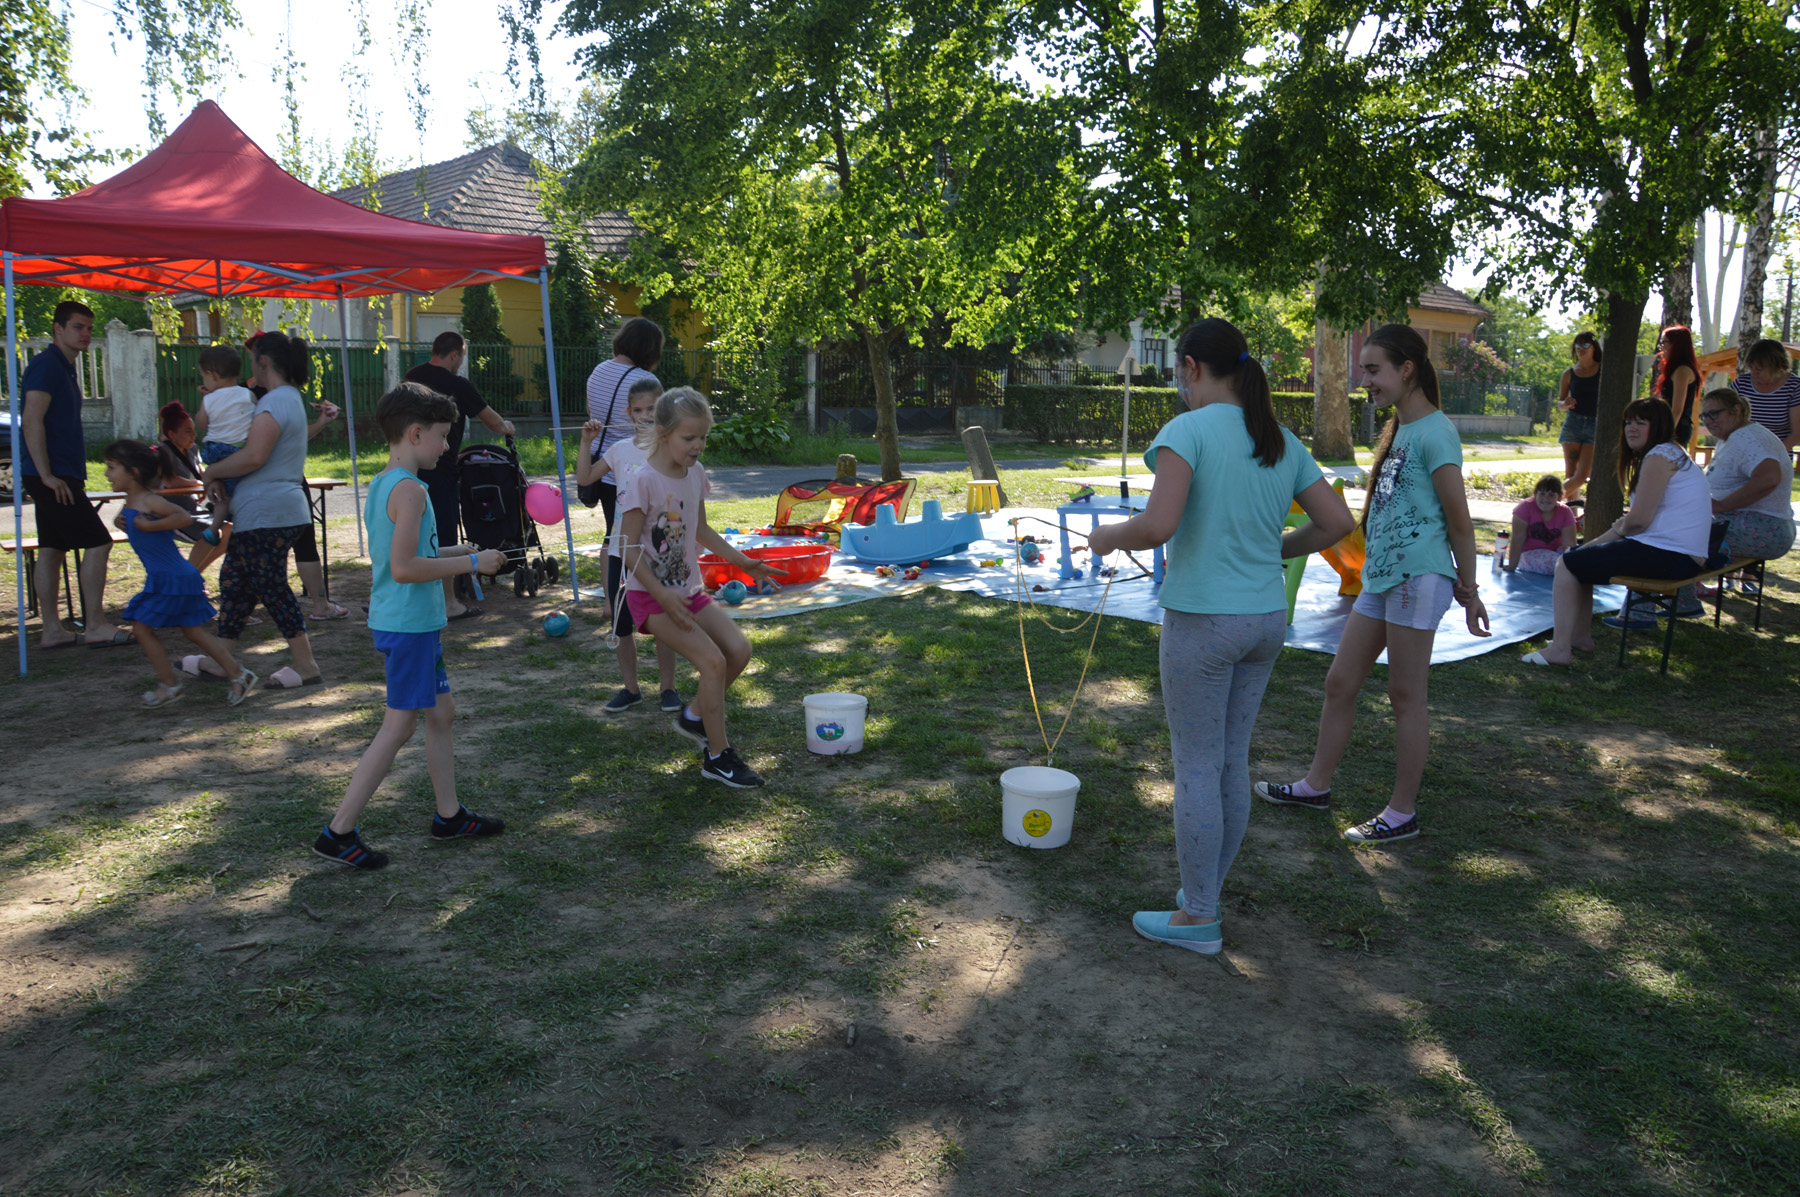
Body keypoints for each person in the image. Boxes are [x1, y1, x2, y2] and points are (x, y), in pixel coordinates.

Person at [1084, 319, 1354, 955]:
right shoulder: (1279, 439)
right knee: (1229, 760)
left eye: (1179, 372)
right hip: (1264, 622)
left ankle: (1199, 916)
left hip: (1204, 623)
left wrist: (1106, 536)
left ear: (1190, 368)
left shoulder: (1187, 431)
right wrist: (1273, 549)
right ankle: (1202, 896)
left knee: (1198, 767)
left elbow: (1157, 525)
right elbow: (1337, 521)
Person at [1257, 324, 1489, 846]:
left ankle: (1402, 812)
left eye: (1373, 370)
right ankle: (1316, 787)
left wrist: (1470, 591)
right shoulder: (1402, 428)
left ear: (1407, 369)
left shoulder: (1436, 433)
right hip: (1382, 578)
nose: (1364, 381)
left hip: (1418, 577)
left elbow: (1460, 522)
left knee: (1406, 695)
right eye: (1363, 370)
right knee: (1339, 682)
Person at [313, 383, 508, 871]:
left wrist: (461, 551)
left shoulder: (386, 483)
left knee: (441, 713)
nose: (446, 447)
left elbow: (409, 555)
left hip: (407, 623)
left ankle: (449, 816)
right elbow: (403, 568)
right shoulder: (413, 491)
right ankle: (338, 832)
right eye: (442, 436)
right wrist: (472, 564)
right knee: (399, 726)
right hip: (409, 626)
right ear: (416, 433)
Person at [618, 386, 779, 788]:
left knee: (738, 650)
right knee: (713, 662)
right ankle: (718, 757)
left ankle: (693, 716)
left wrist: (743, 562)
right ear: (663, 433)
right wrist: (661, 594)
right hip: (649, 597)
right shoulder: (643, 481)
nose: (698, 445)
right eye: (689, 437)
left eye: (703, 437)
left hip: (688, 591)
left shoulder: (695, 474)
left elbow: (701, 529)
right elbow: (627, 548)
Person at [1523, 398, 1713, 661]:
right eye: (1628, 422)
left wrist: (1593, 544)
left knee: (1567, 563)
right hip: (1679, 555)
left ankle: (1560, 649)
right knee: (1579, 561)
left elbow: (1637, 522)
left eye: (1641, 423)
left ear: (1658, 426)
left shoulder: (1659, 456)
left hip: (1673, 556)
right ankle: (1578, 637)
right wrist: (1590, 548)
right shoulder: (1671, 453)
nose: (1631, 429)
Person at [192, 331, 326, 689]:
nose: (249, 366)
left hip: (268, 513)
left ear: (263, 361)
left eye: (253, 359)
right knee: (235, 583)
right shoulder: (286, 398)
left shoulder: (274, 403)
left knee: (271, 586)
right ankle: (220, 659)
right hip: (266, 512)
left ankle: (306, 664)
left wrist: (211, 472)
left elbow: (253, 456)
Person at [101, 439, 256, 708]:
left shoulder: (150, 500)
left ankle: (170, 685)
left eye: (112, 467)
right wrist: (120, 521)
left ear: (133, 472)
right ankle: (239, 675)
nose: (106, 473)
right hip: (170, 577)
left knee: (142, 629)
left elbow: (183, 517)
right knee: (193, 632)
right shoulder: (133, 501)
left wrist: (150, 527)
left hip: (172, 577)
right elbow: (137, 523)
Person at [20, 300, 128, 650]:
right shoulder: (46, 365)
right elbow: (31, 419)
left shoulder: (63, 368)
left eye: (89, 328)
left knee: (52, 548)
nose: (85, 334)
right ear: (58, 328)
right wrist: (47, 475)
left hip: (58, 473)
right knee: (98, 541)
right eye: (78, 327)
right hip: (53, 475)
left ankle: (52, 631)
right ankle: (95, 624)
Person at [575, 381, 683, 715]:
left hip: (660, 550)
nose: (645, 415)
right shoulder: (619, 450)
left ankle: (668, 688)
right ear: (629, 413)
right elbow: (584, 478)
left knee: (664, 622)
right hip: (622, 550)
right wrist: (586, 442)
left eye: (652, 409)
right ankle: (631, 689)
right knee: (621, 625)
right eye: (638, 410)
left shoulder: (671, 449)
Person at [403, 331, 516, 619]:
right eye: (461, 357)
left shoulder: (412, 376)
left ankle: (412, 596)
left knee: (410, 530)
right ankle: (449, 602)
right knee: (443, 534)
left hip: (409, 465)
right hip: (440, 469)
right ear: (455, 355)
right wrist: (506, 427)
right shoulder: (458, 385)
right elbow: (491, 420)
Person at [1669, 388, 1795, 611]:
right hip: (1756, 525)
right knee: (1673, 526)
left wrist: (1722, 505)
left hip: (1765, 528)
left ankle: (1680, 602)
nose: (1709, 420)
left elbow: (1769, 477)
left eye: (1714, 414)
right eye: (1704, 416)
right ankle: (1682, 598)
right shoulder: (1734, 437)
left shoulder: (1749, 438)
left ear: (1736, 410)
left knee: (1675, 532)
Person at [583, 316, 664, 526]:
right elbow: (658, 423)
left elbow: (591, 410)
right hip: (632, 467)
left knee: (613, 530)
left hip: (599, 464)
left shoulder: (598, 370)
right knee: (634, 532)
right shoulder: (646, 381)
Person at [192, 345, 254, 542]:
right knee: (235, 492)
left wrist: (205, 401)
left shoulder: (209, 399)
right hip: (236, 450)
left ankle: (214, 528)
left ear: (212, 375)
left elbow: (201, 424)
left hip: (213, 450)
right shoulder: (247, 395)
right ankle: (225, 525)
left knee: (222, 495)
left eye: (203, 376)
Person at [1556, 331, 1602, 502]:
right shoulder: (1569, 373)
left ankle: (1542, 500)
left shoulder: (1603, 369)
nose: (1581, 348)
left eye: (1585, 345)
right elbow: (1560, 403)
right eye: (1578, 345)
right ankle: (1570, 515)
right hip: (1573, 423)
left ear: (1594, 347)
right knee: (1571, 474)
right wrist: (1565, 403)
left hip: (1594, 424)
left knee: (1582, 476)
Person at [1731, 339, 1800, 451]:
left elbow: (1797, 433)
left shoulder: (1795, 387)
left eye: (1759, 369)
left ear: (1777, 366)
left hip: (1778, 454)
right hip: (1740, 451)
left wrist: (1770, 454)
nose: (1754, 373)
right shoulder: (1741, 383)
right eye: (1751, 368)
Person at [1506, 475, 1577, 575]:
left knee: (1578, 559)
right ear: (1535, 494)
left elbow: (1569, 544)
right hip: (1528, 554)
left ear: (1560, 496)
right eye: (1542, 494)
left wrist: (1573, 565)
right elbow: (1518, 539)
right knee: (1558, 564)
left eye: (1551, 495)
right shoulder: (1524, 508)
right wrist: (1512, 566)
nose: (1546, 498)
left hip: (1555, 552)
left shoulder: (1565, 512)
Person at [1652, 325, 1700, 451]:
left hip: (1677, 428)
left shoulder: (1682, 371)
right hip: (1670, 425)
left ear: (1676, 344)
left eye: (1664, 342)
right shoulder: (1674, 369)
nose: (1661, 347)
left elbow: (1677, 409)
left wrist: (1666, 434)